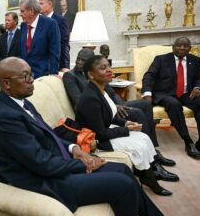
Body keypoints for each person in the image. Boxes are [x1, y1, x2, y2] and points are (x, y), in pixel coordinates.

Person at [0, 57, 166, 216]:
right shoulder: (6, 118)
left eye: (31, 74)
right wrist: (84, 163)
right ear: (7, 84)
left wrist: (75, 149)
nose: (31, 80)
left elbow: (49, 136)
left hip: (56, 165)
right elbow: (40, 162)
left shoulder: (21, 101)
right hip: (42, 180)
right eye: (24, 77)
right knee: (122, 185)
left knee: (122, 170)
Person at [63, 49, 178, 182]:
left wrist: (119, 105)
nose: (79, 62)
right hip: (97, 111)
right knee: (138, 113)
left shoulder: (101, 74)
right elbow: (79, 101)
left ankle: (154, 152)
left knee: (145, 105)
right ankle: (154, 165)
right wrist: (112, 108)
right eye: (78, 58)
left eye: (83, 60)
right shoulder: (71, 76)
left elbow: (111, 93)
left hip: (112, 106)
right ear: (91, 73)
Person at [142, 36, 200, 159]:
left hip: (186, 93)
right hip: (165, 93)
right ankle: (188, 141)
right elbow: (149, 76)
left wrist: (198, 88)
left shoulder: (195, 60)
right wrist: (147, 93)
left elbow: (196, 79)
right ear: (173, 47)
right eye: (179, 45)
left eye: (185, 46)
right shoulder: (161, 59)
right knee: (174, 104)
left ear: (190, 48)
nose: (182, 48)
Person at [19, 0, 60, 79]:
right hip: (25, 75)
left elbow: (55, 51)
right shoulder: (23, 25)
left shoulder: (50, 24)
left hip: (43, 74)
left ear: (31, 11)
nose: (20, 14)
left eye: (22, 11)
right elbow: (22, 50)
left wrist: (53, 74)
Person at [39, 0, 70, 72]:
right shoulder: (37, 21)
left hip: (55, 65)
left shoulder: (60, 20)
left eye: (41, 3)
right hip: (40, 66)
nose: (39, 6)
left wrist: (65, 65)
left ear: (50, 4)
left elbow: (64, 44)